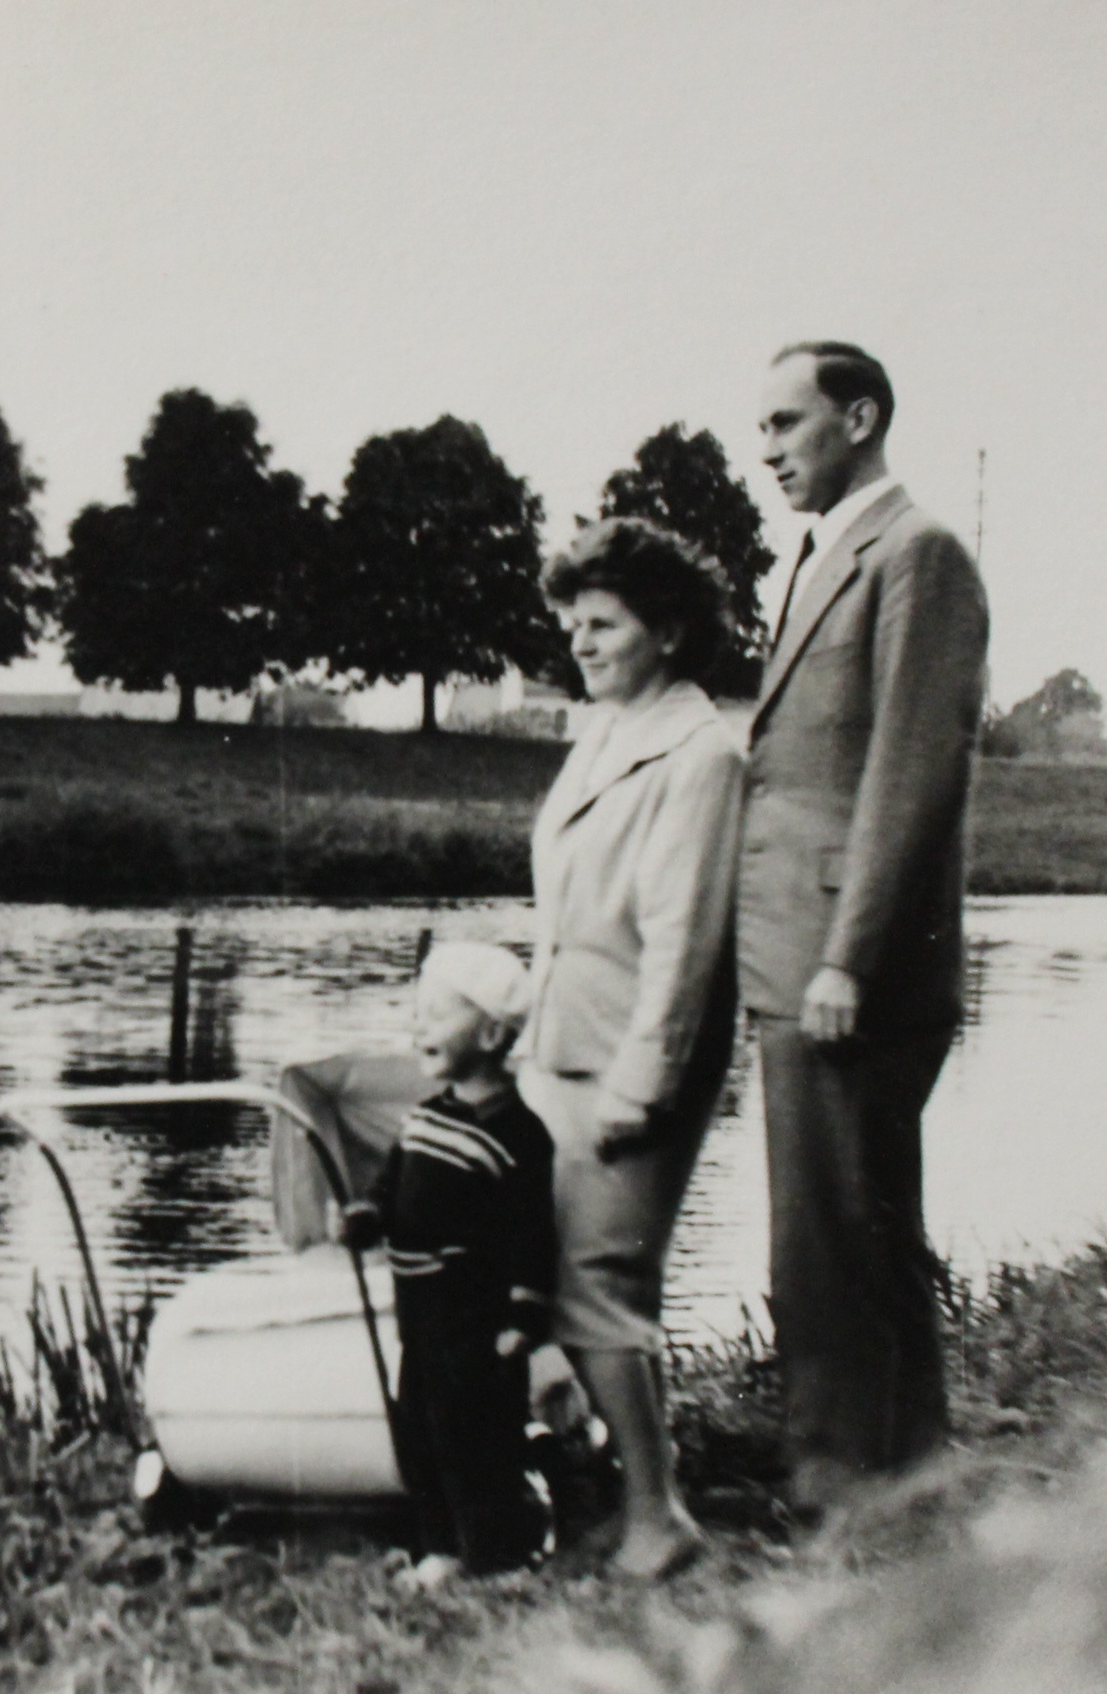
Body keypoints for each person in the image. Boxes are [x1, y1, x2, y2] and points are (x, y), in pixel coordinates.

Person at [743, 342, 989, 1515]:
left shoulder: (918, 553)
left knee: (840, 1226)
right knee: (836, 1221)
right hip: (793, 950)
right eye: (763, 427)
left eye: (786, 423)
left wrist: (846, 954)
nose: (768, 450)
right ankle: (896, 1469)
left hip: (848, 962)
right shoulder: (821, 558)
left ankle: (852, 1481)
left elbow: (911, 768)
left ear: (860, 417)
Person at [518, 517, 743, 1581]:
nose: (581, 641)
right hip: (559, 1046)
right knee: (579, 1283)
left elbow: (683, 940)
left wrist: (643, 1084)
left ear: (669, 630)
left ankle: (659, 1517)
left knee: (599, 1287)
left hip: (628, 1060)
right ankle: (615, 1502)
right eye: (573, 623)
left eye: (603, 623)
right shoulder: (605, 732)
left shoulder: (700, 754)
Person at [340, 942, 556, 1585]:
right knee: (421, 1434)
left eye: (436, 1015)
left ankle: (500, 1555)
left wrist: (525, 1313)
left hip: (475, 1324)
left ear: (490, 1034)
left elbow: (532, 1232)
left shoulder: (519, 1134)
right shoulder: (423, 1118)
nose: (420, 1027)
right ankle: (442, 1548)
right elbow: (390, 1190)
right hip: (420, 1318)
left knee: (478, 1440)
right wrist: (365, 1218)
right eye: (418, 1014)